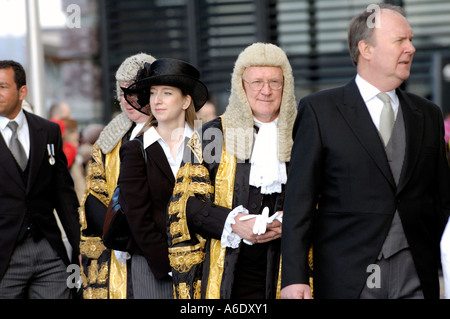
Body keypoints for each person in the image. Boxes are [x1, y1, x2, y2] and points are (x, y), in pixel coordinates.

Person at [281, 4, 450, 299]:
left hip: (417, 276)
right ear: (366, 49)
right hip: (348, 278)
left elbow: (441, 201)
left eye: (411, 40)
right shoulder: (320, 111)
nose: (411, 48)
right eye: (400, 40)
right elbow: (299, 202)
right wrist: (294, 278)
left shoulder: (428, 114)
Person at [167, 42, 297, 299]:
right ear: (241, 86)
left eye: (275, 82)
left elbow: (329, 194)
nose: (266, 91)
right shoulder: (211, 134)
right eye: (257, 82)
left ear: (287, 85)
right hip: (230, 269)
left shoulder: (306, 131)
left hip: (290, 268)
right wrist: (234, 223)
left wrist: (292, 220)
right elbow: (186, 203)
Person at [119, 57, 208, 298]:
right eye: (153, 93)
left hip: (204, 264)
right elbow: (136, 215)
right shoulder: (135, 149)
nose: (157, 100)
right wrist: (168, 265)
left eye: (167, 93)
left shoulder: (208, 146)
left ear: (185, 101)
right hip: (153, 266)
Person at [0, 60, 80, 298]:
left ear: (22, 91)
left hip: (49, 252)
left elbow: (64, 195)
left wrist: (79, 246)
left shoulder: (48, 131)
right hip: (4, 257)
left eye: (3, 86)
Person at [78, 52, 155, 299]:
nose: (125, 100)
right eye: (121, 92)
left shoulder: (174, 130)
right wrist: (115, 232)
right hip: (115, 249)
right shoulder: (109, 138)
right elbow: (95, 194)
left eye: (132, 92)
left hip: (155, 247)